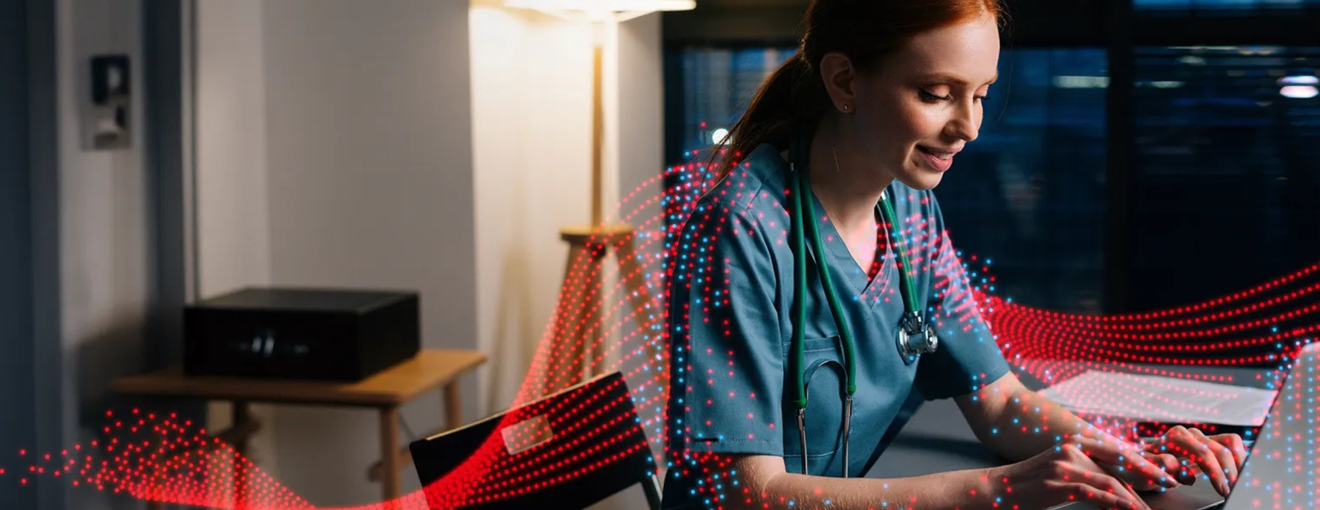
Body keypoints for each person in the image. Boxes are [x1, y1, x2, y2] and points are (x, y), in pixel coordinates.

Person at [661, 1, 1248, 509]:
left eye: (981, 95)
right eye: (936, 94)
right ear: (844, 82)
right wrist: (994, 490)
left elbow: (999, 402)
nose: (969, 126)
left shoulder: (910, 211)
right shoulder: (737, 231)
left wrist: (1126, 454)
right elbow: (743, 491)